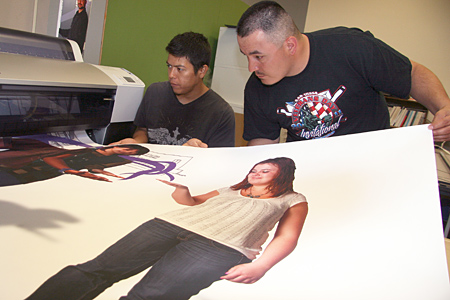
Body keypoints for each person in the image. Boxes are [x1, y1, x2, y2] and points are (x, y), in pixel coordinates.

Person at [25, 157, 308, 300]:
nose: (255, 173)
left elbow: (287, 236)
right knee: (95, 270)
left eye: (264, 170)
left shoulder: (292, 200)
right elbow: (194, 202)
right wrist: (182, 191)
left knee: (148, 297)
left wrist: (261, 267)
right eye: (254, 168)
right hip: (169, 226)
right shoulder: (230, 190)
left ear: (281, 175)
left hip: (219, 249)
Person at [236, 1, 450, 145]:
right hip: (312, 172)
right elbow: (261, 150)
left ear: (290, 46)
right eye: (246, 56)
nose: (251, 68)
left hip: (371, 160)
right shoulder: (256, 88)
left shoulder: (353, 48)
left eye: (258, 56)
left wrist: (444, 108)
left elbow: (412, 75)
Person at [112, 32, 236, 148]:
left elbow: (218, 164)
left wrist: (195, 154)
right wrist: (136, 142)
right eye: (169, 66)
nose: (171, 75)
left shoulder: (221, 114)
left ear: (202, 71)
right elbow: (143, 129)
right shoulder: (154, 93)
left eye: (180, 69)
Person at [0, 137, 149, 186]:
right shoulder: (79, 150)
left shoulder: (117, 160)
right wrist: (74, 171)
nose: (126, 152)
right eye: (128, 149)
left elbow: (94, 167)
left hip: (41, 175)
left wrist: (102, 172)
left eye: (131, 153)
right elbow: (50, 157)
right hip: (20, 167)